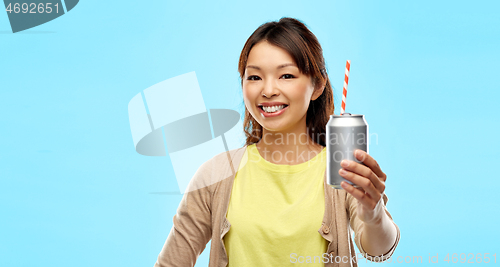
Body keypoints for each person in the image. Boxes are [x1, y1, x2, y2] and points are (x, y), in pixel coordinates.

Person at [154, 17, 400, 267]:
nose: (268, 90)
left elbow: (378, 252)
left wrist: (374, 214)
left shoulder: (342, 169)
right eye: (254, 77)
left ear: (317, 85)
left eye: (286, 75)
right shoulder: (215, 175)